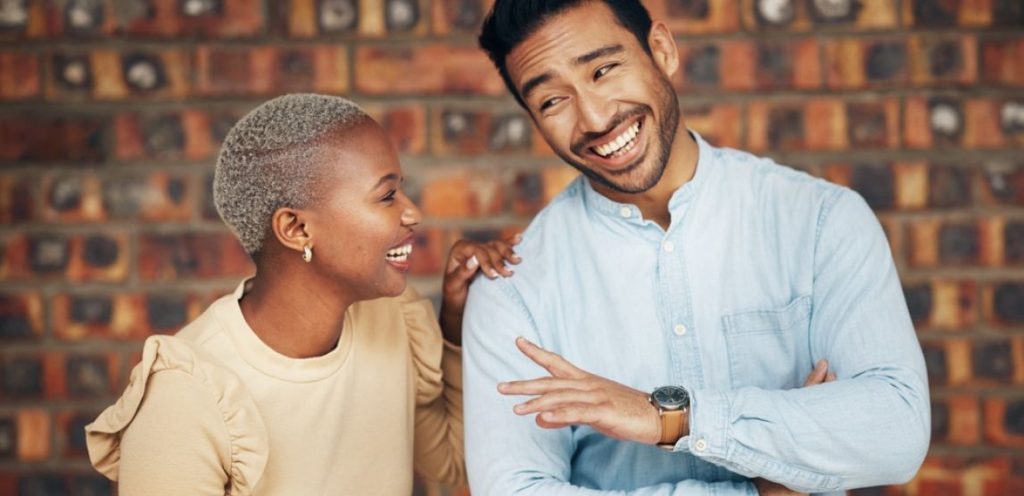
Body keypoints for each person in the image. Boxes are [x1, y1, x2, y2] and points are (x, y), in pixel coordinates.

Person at [461, 1, 930, 495]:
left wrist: (668, 418)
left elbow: (896, 429)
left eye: (603, 70)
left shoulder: (818, 221)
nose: (595, 118)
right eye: (553, 101)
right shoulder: (512, 291)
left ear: (661, 50)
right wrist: (761, 489)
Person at [84, 94, 520, 495]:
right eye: (387, 195)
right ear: (297, 229)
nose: (413, 212)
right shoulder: (185, 399)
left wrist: (457, 328)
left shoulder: (392, 317)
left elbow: (453, 465)